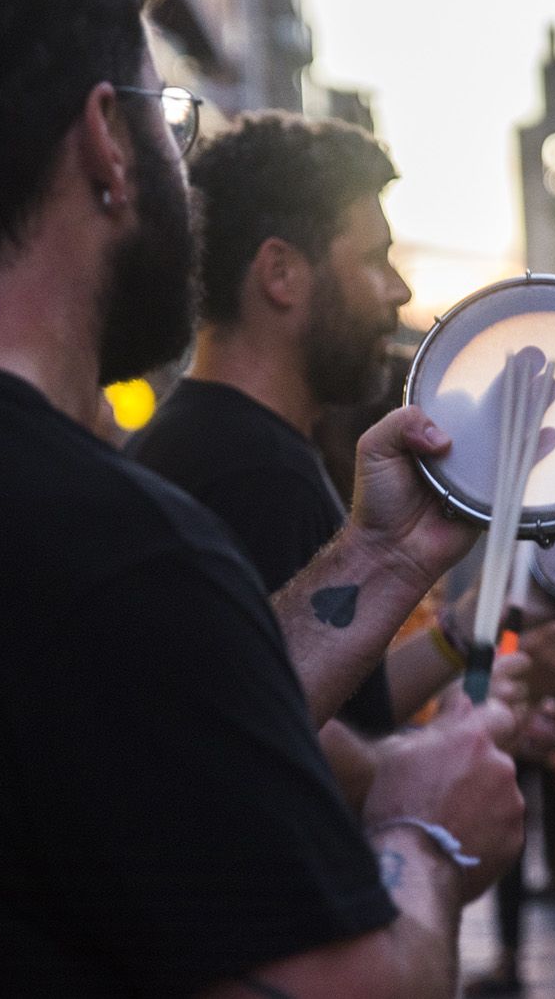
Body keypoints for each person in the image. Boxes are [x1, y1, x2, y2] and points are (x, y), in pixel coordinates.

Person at [0, 0, 526, 992]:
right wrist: (428, 837)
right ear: (108, 142)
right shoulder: (110, 549)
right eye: (170, 118)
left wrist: (384, 559)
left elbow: (149, 742)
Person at [128, 111, 413, 735]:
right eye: (374, 259)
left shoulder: (210, 444)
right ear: (280, 273)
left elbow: (338, 704)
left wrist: (456, 637)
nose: (399, 291)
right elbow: (263, 729)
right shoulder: (255, 477)